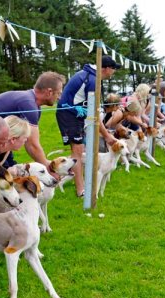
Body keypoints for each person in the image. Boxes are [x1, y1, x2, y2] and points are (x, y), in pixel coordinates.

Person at [0, 72, 66, 176]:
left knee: (9, 176)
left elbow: (23, 138)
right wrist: (48, 169)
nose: (59, 97)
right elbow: (32, 145)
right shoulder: (29, 104)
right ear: (49, 92)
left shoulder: (31, 101)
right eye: (59, 93)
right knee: (1, 178)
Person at [56, 55, 119, 197]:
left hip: (76, 114)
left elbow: (93, 114)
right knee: (77, 152)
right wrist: (107, 136)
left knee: (80, 150)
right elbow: (94, 114)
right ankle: (81, 190)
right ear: (107, 68)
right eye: (114, 69)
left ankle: (77, 182)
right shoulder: (92, 80)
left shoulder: (91, 76)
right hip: (69, 114)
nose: (114, 72)